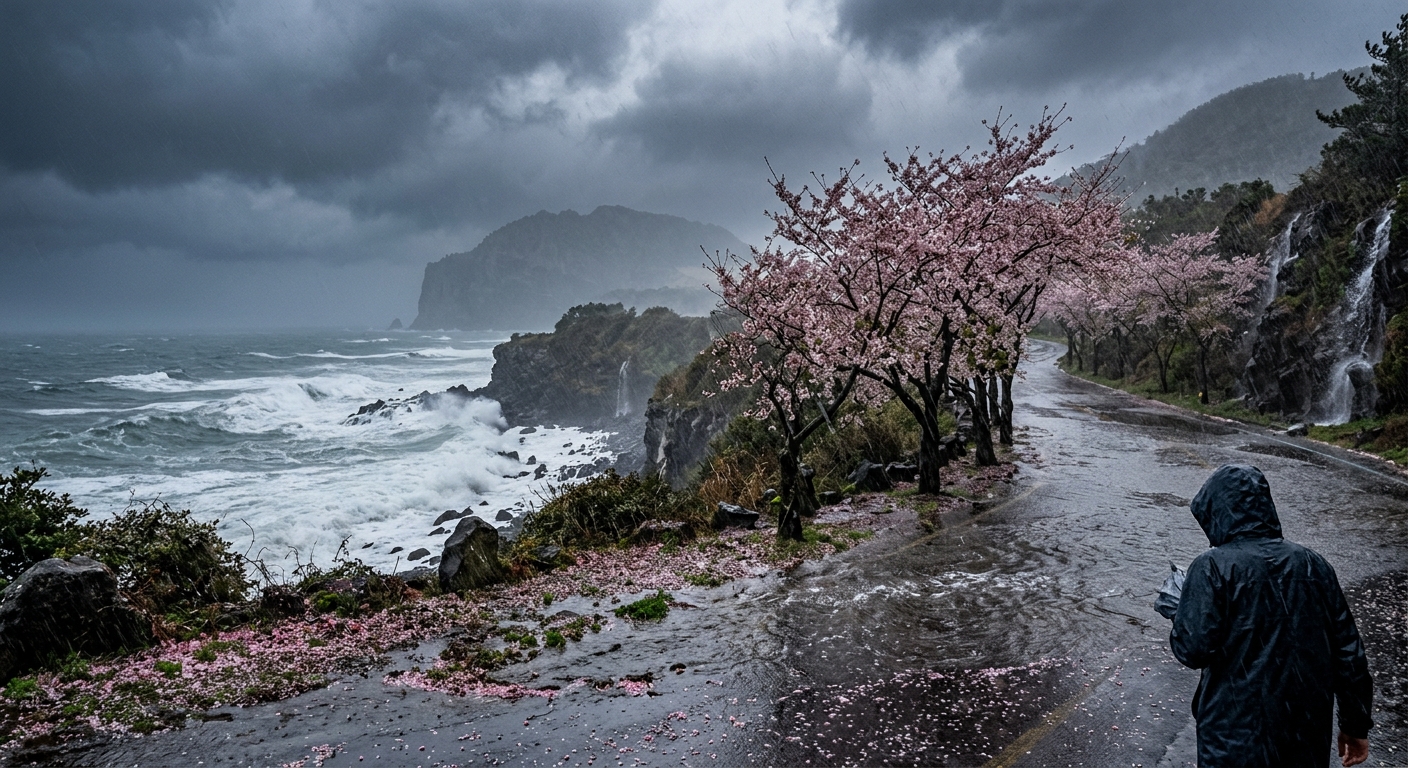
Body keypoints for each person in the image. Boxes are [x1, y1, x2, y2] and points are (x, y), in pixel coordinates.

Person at [1169, 464, 1373, 768]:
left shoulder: (1211, 567)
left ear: (1217, 512)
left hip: (1232, 739)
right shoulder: (1314, 565)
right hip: (1304, 738)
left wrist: (1178, 608)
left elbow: (1193, 649)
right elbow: (1349, 655)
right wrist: (1355, 726)